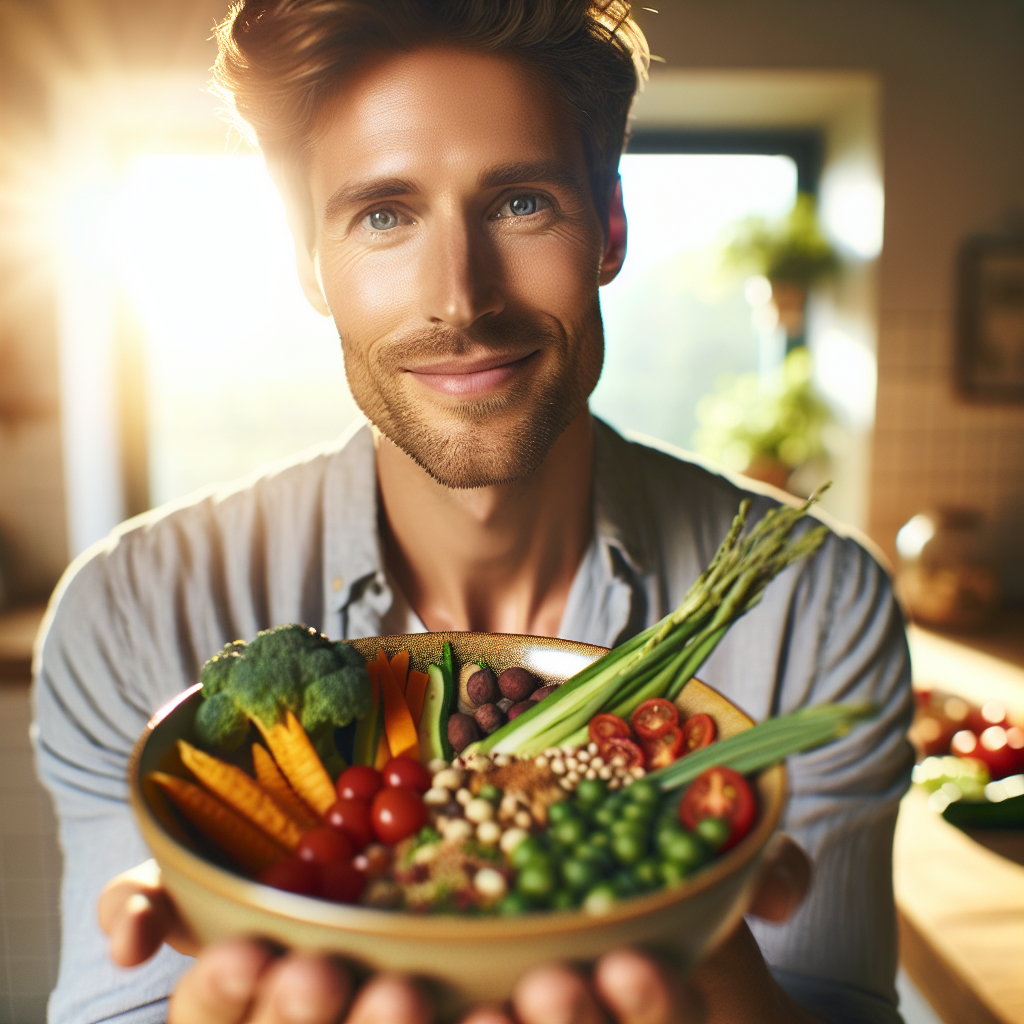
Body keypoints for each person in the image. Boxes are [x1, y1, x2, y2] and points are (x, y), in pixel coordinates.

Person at [33, 2, 914, 1023]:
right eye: (382, 214)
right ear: (308, 264)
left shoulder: (817, 603)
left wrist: (718, 983)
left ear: (609, 230)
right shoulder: (132, 608)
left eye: (521, 203)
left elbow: (836, 1006)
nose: (460, 298)